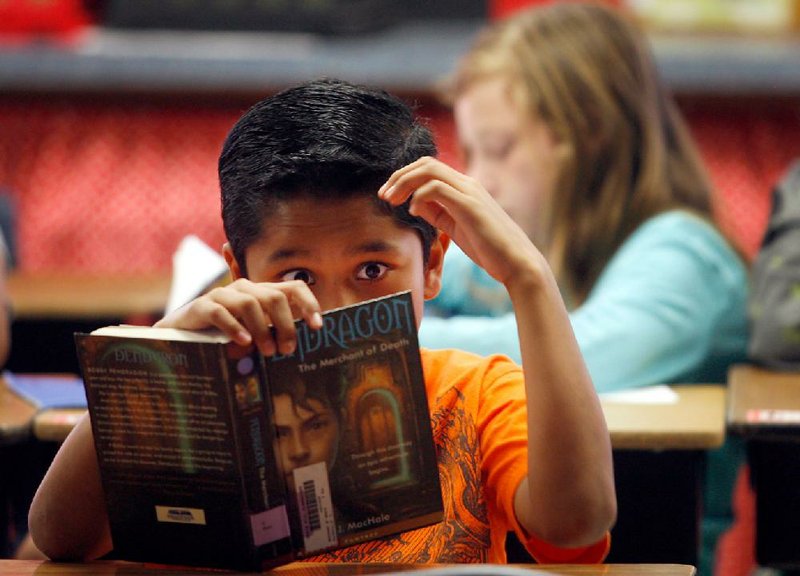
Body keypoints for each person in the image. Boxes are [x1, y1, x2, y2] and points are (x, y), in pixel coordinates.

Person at [28, 78, 616, 564]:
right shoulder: (203, 402)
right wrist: (163, 354)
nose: (332, 311)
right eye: (297, 278)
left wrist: (530, 281)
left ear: (431, 264)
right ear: (240, 274)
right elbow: (58, 538)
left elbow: (576, 523)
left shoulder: (478, 393)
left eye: (372, 269)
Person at [415, 3, 748, 575]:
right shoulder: (550, 239)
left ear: (587, 136)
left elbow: (577, 351)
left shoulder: (687, 257)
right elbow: (433, 285)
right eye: (470, 154)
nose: (480, 181)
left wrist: (369, 332)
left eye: (498, 150)